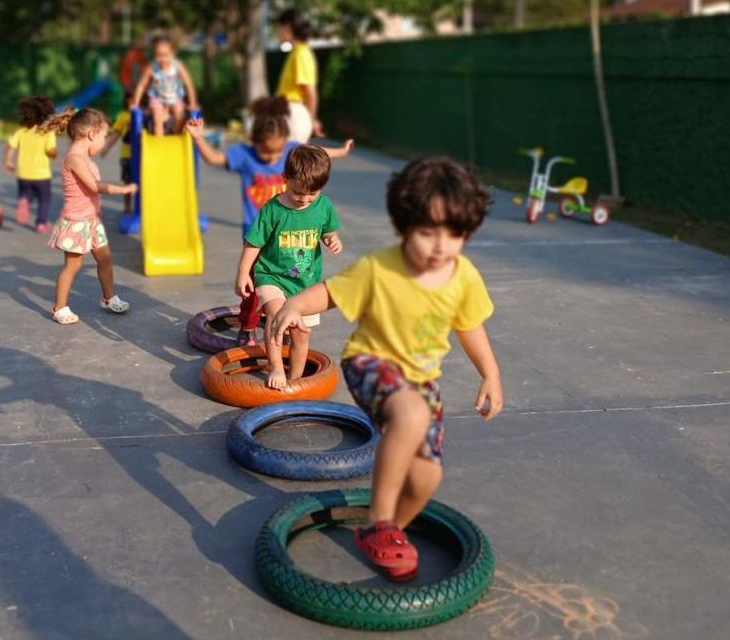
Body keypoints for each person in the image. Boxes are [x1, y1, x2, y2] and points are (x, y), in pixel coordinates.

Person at [267, 156, 504, 581]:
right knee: (410, 414)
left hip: (421, 380)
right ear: (401, 226)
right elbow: (329, 294)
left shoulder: (463, 276)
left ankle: (386, 529)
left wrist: (491, 373)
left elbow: (470, 325)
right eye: (427, 232)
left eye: (454, 234)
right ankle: (378, 519)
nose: (440, 247)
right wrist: (293, 305)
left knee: (427, 478)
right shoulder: (379, 268)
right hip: (370, 363)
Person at [186, 96, 353, 346]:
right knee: (253, 289)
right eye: (266, 151)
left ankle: (282, 323)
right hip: (259, 237)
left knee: (292, 281)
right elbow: (214, 159)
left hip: (292, 235)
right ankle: (249, 325)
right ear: (256, 143)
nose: (271, 157)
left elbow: (317, 154)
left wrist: (341, 151)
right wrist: (198, 137)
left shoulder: (292, 153)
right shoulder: (245, 155)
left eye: (277, 151)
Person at [237, 145, 342, 389]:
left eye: (312, 194)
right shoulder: (273, 210)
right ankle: (275, 367)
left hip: (305, 284)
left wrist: (332, 239)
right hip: (272, 276)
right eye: (297, 192)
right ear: (286, 180)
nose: (304, 199)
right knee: (276, 318)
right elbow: (253, 243)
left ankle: (295, 380)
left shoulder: (323, 206)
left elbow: (329, 230)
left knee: (301, 332)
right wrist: (243, 273)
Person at [38, 108, 138, 325]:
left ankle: (109, 297)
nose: (104, 142)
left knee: (105, 258)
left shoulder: (85, 157)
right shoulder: (74, 158)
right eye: (103, 136)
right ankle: (59, 307)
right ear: (92, 133)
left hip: (92, 221)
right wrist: (123, 189)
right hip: (76, 222)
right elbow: (94, 186)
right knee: (72, 266)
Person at [4, 96, 58, 232]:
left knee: (26, 192)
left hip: (23, 174)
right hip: (42, 175)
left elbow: (11, 147)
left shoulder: (21, 132)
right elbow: (50, 151)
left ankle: (24, 200)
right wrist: (54, 153)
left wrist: (9, 161)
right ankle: (41, 223)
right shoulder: (47, 133)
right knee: (44, 198)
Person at [131, 35, 198, 135]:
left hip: (175, 97)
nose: (162, 59)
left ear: (173, 53)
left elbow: (189, 84)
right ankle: (159, 142)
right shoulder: (152, 67)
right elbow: (141, 85)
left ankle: (175, 136)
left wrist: (193, 103)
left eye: (165, 55)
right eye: (158, 55)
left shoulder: (177, 66)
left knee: (179, 115)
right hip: (157, 97)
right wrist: (136, 102)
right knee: (158, 118)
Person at [275, 8, 321, 142]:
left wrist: (311, 120)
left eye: (279, 28)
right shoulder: (295, 53)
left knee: (290, 161)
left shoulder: (301, 54)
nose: (277, 32)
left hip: (294, 116)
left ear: (288, 27)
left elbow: (310, 92)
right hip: (288, 114)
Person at [103, 94, 136, 215]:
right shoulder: (123, 116)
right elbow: (116, 134)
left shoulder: (145, 114)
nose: (134, 103)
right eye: (132, 101)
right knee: (128, 182)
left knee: (142, 182)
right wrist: (106, 147)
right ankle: (127, 206)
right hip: (127, 155)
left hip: (143, 155)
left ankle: (143, 206)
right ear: (127, 102)